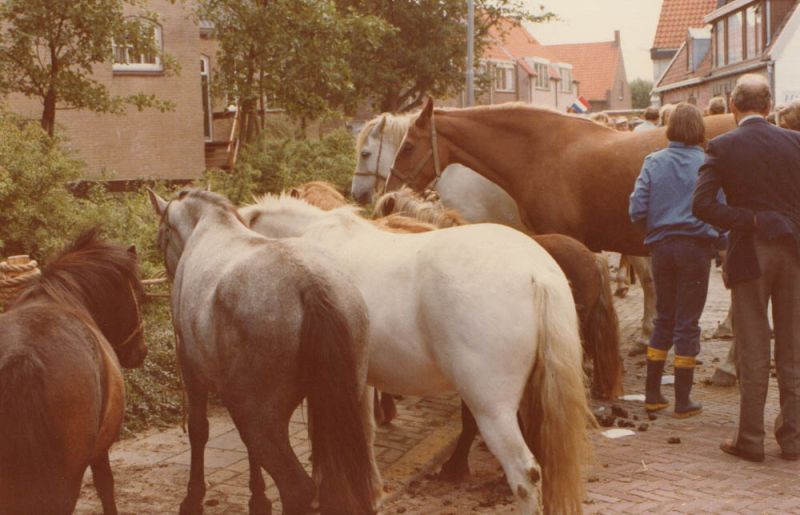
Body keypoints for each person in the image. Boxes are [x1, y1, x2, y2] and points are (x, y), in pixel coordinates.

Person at [692, 74, 800, 462]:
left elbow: (702, 206)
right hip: (794, 253)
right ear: (769, 107)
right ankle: (793, 438)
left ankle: (750, 438)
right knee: (793, 347)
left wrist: (750, 220)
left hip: (750, 253)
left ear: (734, 107)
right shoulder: (796, 142)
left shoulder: (722, 145)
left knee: (753, 347)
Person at [629, 103, 720, 418]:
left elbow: (636, 210)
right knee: (687, 322)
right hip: (696, 250)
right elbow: (719, 208)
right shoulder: (707, 163)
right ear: (698, 129)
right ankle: (683, 400)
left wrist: (656, 229)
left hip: (662, 248)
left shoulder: (653, 162)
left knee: (663, 317)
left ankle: (652, 394)